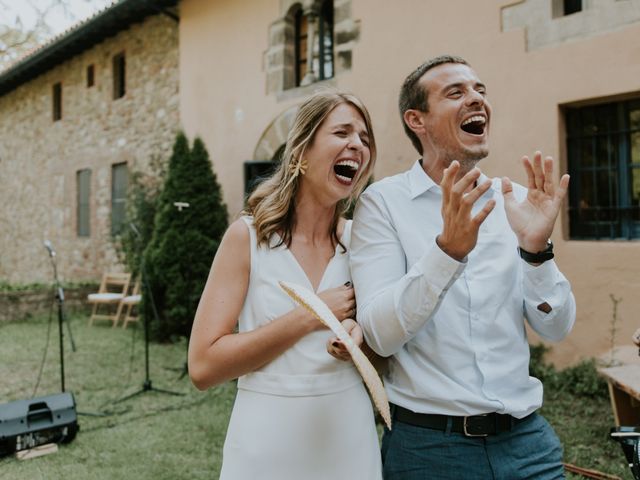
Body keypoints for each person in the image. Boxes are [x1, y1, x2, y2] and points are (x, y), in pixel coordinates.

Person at [349, 55, 577, 479]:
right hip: (429, 449)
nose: (476, 100)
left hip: (528, 444)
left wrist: (536, 250)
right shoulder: (383, 204)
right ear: (417, 120)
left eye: (480, 91)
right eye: (456, 93)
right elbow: (379, 335)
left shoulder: (516, 204)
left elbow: (556, 328)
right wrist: (446, 253)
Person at [188, 90, 382, 479]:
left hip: (348, 437)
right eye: (342, 132)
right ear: (301, 153)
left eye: (364, 138)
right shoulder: (247, 238)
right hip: (266, 443)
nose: (356, 145)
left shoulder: (364, 241)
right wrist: (311, 315)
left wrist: (361, 336)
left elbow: (390, 349)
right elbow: (203, 366)